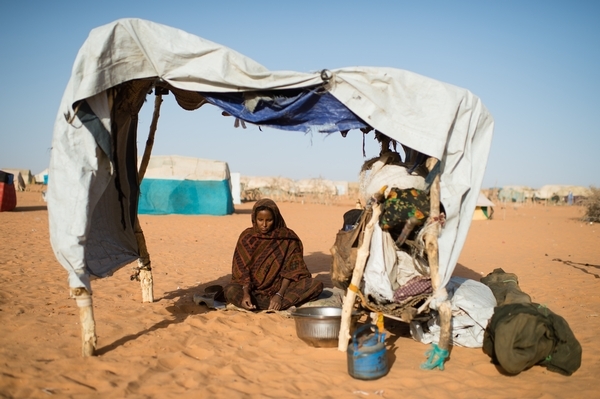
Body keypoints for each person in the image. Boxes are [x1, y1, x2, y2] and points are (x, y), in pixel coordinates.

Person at [224, 198, 323, 311]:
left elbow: (292, 271)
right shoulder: (247, 237)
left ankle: (263, 304)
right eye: (260, 220)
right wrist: (246, 293)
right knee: (230, 290)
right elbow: (242, 273)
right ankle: (263, 304)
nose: (264, 225)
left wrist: (279, 295)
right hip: (251, 288)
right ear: (254, 219)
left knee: (315, 285)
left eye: (269, 220)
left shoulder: (288, 238)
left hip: (282, 288)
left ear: (275, 219)